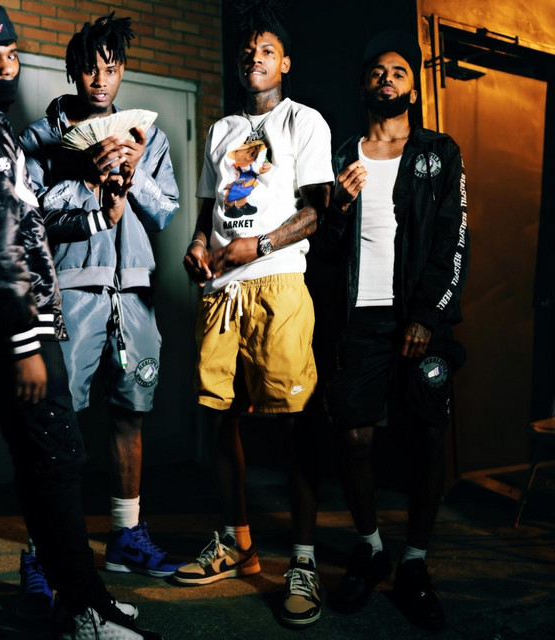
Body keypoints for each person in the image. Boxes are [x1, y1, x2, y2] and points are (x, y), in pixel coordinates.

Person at [0, 3, 163, 639]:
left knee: (49, 459)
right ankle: (81, 610)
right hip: (17, 326)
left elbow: (22, 221)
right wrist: (26, 341)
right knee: (55, 460)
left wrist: (104, 210)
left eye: (11, 55)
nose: (5, 68)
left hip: (20, 320)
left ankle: (85, 600)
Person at [177, 0, 332, 629]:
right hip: (221, 291)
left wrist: (259, 245)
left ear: (285, 62)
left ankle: (303, 560)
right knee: (220, 418)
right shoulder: (221, 130)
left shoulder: (303, 121)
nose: (254, 57)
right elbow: (208, 209)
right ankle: (237, 545)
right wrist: (198, 243)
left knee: (295, 423)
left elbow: (318, 210)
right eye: (248, 50)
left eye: (267, 50)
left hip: (277, 285)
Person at [18, 13, 181, 581]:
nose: (100, 80)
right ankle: (41, 555)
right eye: (90, 69)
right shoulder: (41, 138)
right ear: (74, 72)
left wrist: (137, 174)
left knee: (130, 416)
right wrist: (86, 179)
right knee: (55, 426)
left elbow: (165, 213)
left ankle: (125, 537)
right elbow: (31, 215)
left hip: (134, 293)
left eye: (111, 69)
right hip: (71, 293)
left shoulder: (148, 137)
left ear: (122, 71)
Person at [317, 30, 469, 633]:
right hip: (360, 319)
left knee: (427, 437)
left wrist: (427, 316)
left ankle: (415, 562)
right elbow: (323, 251)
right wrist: (337, 209)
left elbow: (453, 238)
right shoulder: (339, 156)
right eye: (378, 71)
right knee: (353, 436)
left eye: (399, 71)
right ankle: (371, 548)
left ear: (413, 88)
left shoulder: (438, 152)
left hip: (419, 318)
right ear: (363, 85)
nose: (387, 78)